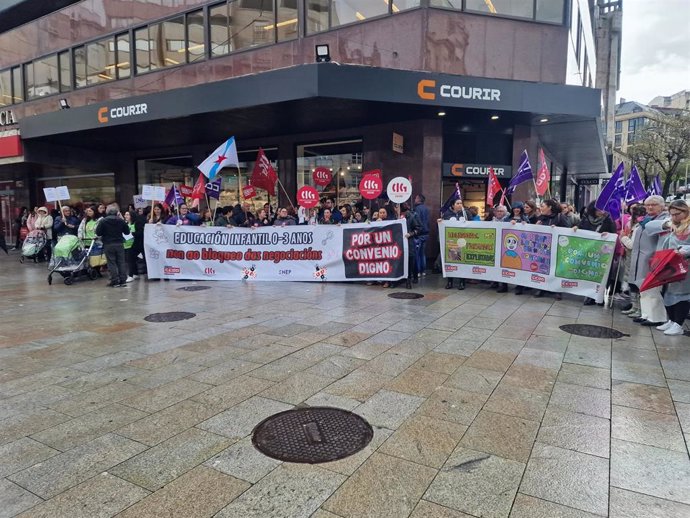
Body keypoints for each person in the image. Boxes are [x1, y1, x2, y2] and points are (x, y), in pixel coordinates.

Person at [628, 195, 669, 326]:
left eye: (654, 204)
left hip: (653, 259)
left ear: (662, 206)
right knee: (643, 289)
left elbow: (662, 230)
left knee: (653, 290)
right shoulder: (647, 219)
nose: (650, 207)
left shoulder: (665, 219)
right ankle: (646, 314)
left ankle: (657, 317)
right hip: (641, 259)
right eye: (647, 205)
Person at [653, 200, 690, 335]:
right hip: (669, 263)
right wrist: (668, 223)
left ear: (685, 212)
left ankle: (678, 324)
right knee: (666, 292)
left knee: (682, 295)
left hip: (685, 266)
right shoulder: (673, 224)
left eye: (677, 214)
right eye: (672, 214)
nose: (674, 217)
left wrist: (684, 250)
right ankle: (671, 320)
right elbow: (651, 226)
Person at [574, 202, 616, 305]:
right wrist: (575, 228)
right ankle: (589, 295)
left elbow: (614, 234)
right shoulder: (586, 218)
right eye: (598, 210)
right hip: (588, 251)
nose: (601, 212)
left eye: (603, 209)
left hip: (602, 252)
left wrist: (609, 234)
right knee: (589, 271)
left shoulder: (609, 220)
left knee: (601, 273)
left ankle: (600, 295)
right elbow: (580, 228)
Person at [534, 199, 570, 299]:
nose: (541, 208)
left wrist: (557, 229)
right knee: (543, 268)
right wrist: (536, 227)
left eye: (543, 206)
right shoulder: (541, 217)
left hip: (557, 249)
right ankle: (541, 288)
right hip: (544, 248)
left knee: (556, 268)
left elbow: (568, 231)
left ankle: (557, 290)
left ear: (549, 207)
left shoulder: (560, 217)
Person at [95, 204, 130, 287]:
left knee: (111, 263)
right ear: (116, 212)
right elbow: (127, 232)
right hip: (119, 244)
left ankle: (114, 280)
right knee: (121, 262)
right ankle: (123, 280)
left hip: (108, 244)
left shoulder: (103, 221)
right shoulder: (121, 220)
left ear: (107, 212)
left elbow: (98, 232)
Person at [440, 199, 468, 290]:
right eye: (457, 203)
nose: (460, 205)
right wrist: (440, 222)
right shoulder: (447, 214)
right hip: (452, 242)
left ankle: (462, 282)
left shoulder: (466, 214)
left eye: (461, 203)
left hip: (463, 242)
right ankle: (450, 282)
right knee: (451, 261)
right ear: (453, 205)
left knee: (462, 263)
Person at [413, 194, 430, 277]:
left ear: (419, 199)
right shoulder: (426, 209)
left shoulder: (417, 209)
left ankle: (418, 271)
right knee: (422, 253)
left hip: (419, 234)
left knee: (417, 253)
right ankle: (423, 270)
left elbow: (417, 221)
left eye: (416, 198)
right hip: (426, 233)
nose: (414, 199)